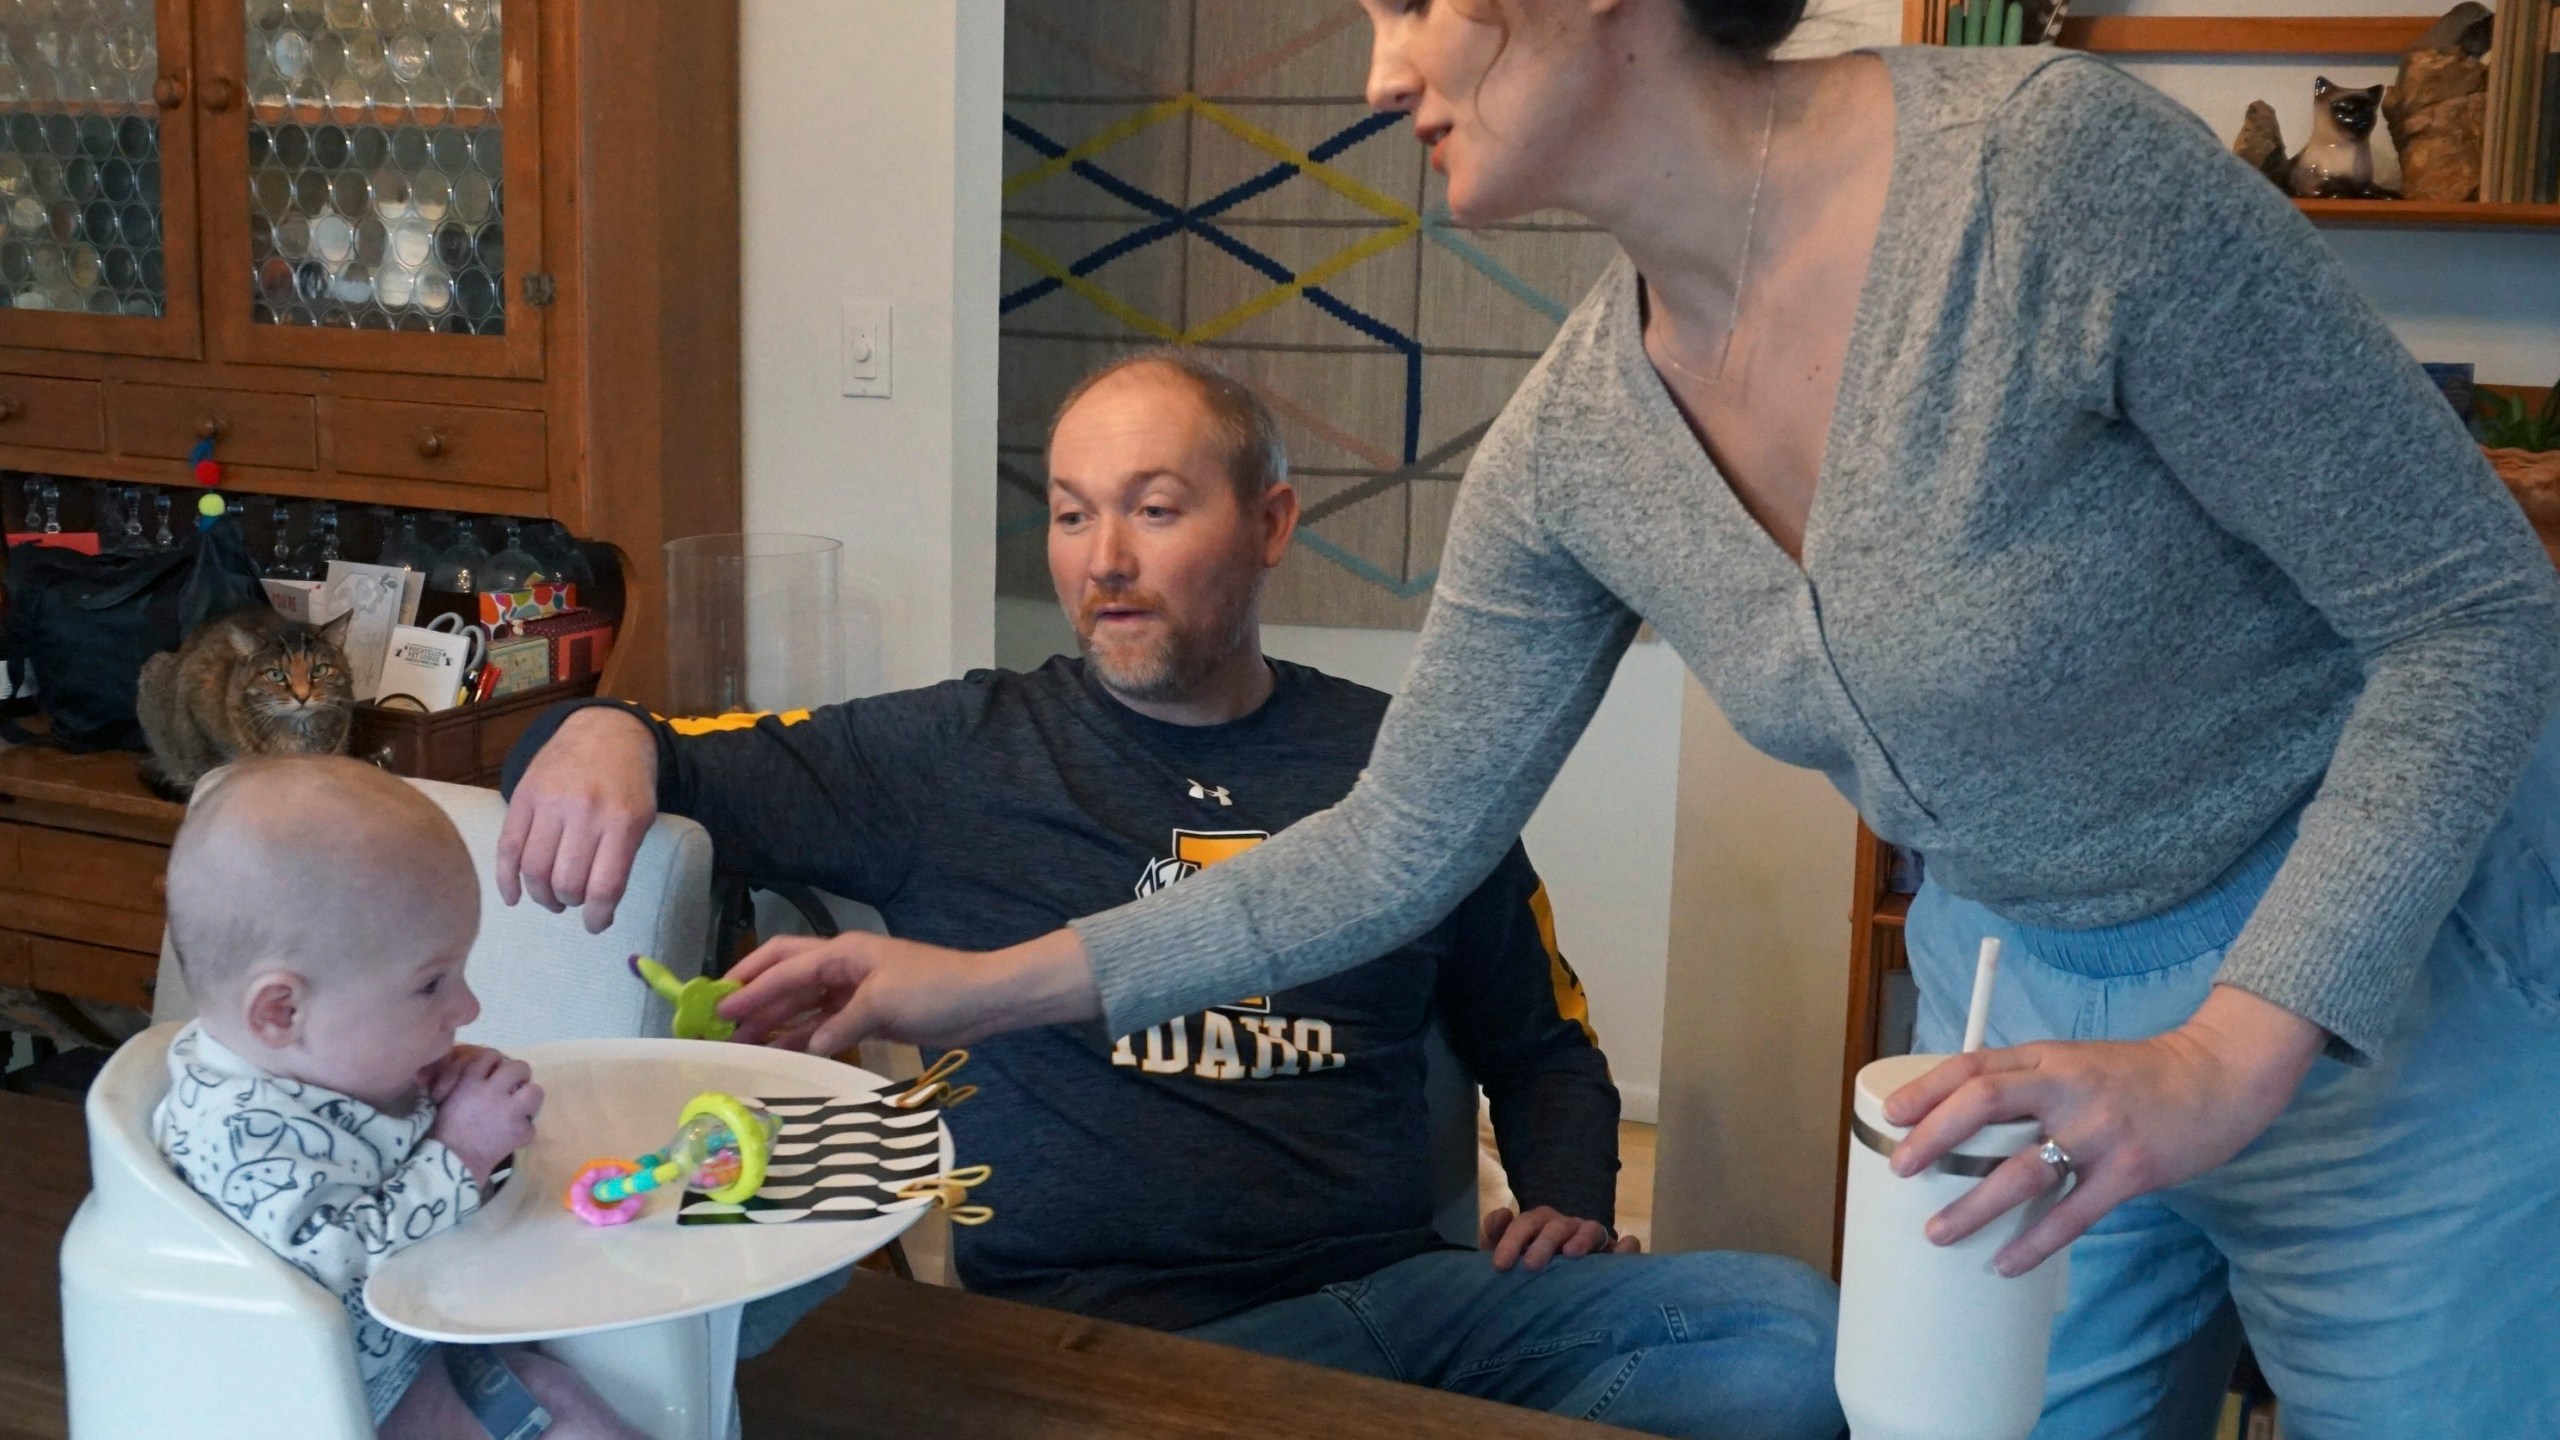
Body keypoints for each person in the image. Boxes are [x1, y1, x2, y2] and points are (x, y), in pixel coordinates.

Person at [534, 5, 2560, 1437]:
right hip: (2016, 1017)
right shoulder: (1578, 440)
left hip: (2387, 977)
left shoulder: (2045, 183)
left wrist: (2231, 1047)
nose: (1376, 66)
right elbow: (1388, 843)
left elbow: (2472, 615)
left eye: (1413, 4)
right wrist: (963, 987)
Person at [499, 352, 1843, 1438]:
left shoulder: (1402, 764)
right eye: (1075, 515)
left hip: (1397, 1300)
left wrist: (1568, 1200)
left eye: (1153, 507)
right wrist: (601, 729)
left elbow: (1540, 1041)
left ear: (1269, 524)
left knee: (1796, 1344)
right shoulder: (959, 752)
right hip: (1097, 1338)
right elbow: (665, 762)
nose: (1103, 562)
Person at [153, 756, 642, 1440]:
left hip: (414, 1345)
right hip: (343, 1402)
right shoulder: (242, 1134)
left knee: (578, 1374)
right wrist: (459, 1149)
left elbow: (367, 1152)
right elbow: (344, 1260)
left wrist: (434, 1106)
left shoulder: (312, 1069)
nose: (467, 1007)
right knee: (564, 1413)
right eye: (430, 986)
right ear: (281, 1011)